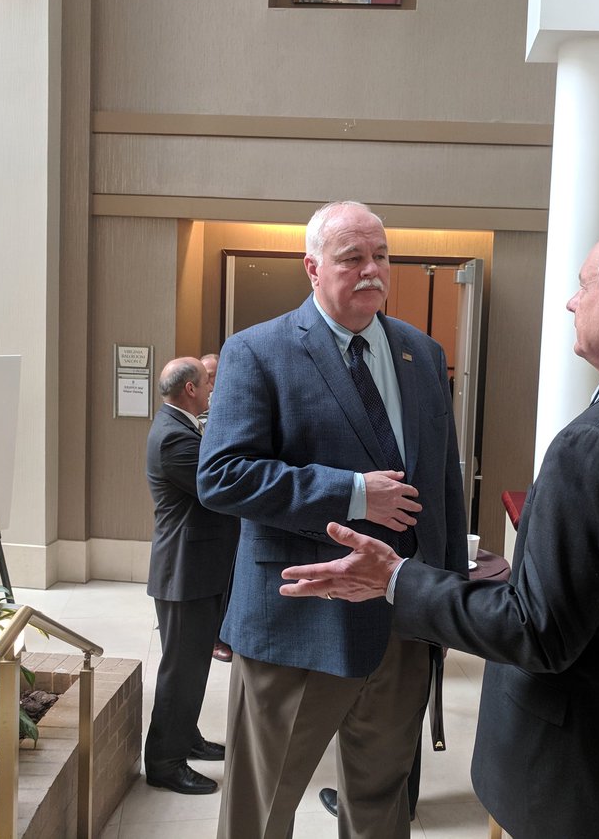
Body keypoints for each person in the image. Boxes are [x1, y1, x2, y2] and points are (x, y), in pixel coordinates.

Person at [279, 210, 599, 839]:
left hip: (583, 779)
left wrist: (397, 579)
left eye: (585, 284)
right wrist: (533, 575)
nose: (571, 301)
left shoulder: (598, 441)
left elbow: (537, 635)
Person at [197, 201, 468, 839]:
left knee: (381, 802)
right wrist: (349, 493)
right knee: (261, 808)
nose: (371, 270)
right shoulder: (256, 352)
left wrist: (447, 596)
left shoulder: (422, 354)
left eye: (381, 256)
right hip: (299, 620)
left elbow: (444, 483)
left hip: (401, 622)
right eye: (353, 258)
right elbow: (222, 475)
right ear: (312, 267)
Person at [144, 357, 240, 795]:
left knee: (194, 665)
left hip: (197, 569)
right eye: (207, 383)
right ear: (190, 390)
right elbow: (217, 487)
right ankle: (164, 762)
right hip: (183, 572)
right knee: (180, 671)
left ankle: (188, 739)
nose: (212, 389)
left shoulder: (181, 426)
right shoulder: (172, 439)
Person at [198, 350, 233, 664]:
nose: (212, 381)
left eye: (215, 375)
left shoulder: (232, 403)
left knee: (227, 580)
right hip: (206, 513)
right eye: (206, 376)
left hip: (231, 516)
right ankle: (214, 639)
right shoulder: (195, 415)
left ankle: (224, 634)